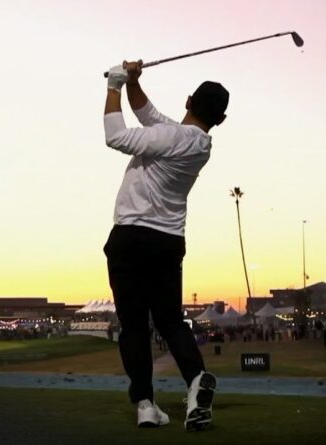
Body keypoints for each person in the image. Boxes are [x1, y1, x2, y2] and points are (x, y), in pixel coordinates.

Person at [103, 60, 228, 431]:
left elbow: (115, 136)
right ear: (221, 120)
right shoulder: (199, 143)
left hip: (130, 237)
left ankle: (145, 403)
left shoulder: (170, 137)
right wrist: (134, 83)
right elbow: (149, 114)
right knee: (171, 322)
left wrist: (114, 85)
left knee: (133, 326)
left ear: (188, 100)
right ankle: (195, 382)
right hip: (168, 242)